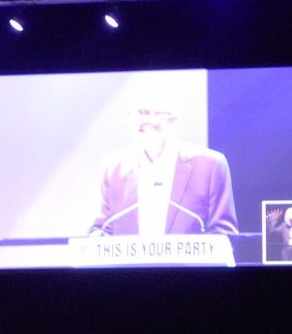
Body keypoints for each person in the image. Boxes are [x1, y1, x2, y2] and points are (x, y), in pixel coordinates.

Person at [88, 101, 238, 236]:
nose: (139, 121)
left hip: (189, 267)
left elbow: (223, 232)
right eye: (133, 113)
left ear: (172, 121)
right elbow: (102, 228)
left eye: (146, 113)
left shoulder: (210, 165)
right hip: (131, 267)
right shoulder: (113, 166)